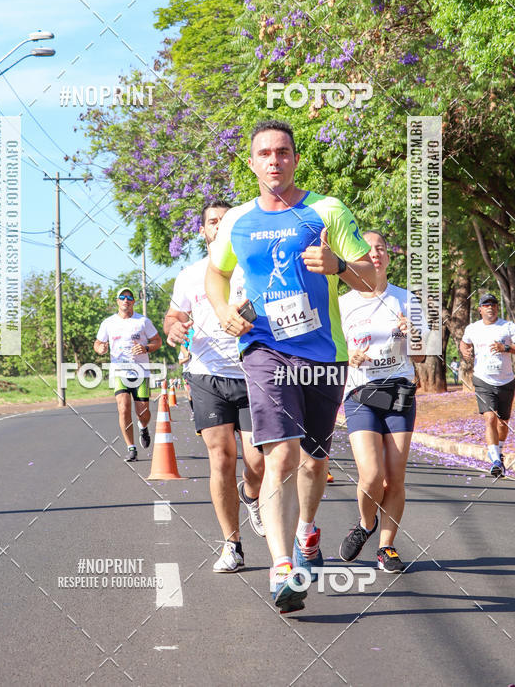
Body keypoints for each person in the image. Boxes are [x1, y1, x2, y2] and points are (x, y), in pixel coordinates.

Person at [205, 120, 375, 612]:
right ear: (253, 162)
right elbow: (216, 272)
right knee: (281, 452)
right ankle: (282, 568)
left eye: (283, 152)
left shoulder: (326, 210)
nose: (274, 160)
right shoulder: (238, 220)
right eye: (265, 153)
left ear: (295, 159)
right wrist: (221, 313)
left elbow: (373, 279)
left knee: (315, 458)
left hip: (323, 352)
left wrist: (341, 267)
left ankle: (306, 528)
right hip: (264, 348)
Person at [164, 201, 266, 574]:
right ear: (203, 231)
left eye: (226, 221)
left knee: (257, 463)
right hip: (206, 374)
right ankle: (232, 544)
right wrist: (174, 328)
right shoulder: (190, 275)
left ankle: (251, 494)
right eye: (212, 222)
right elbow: (174, 316)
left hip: (253, 371)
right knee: (221, 456)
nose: (219, 226)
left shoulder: (252, 269)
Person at [338, 230, 427, 573]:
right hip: (361, 393)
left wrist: (412, 334)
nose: (375, 253)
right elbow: (331, 351)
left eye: (381, 249)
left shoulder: (406, 299)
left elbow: (419, 357)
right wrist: (349, 359)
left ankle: (386, 547)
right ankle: (365, 523)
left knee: (395, 477)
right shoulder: (343, 303)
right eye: (367, 249)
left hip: (400, 391)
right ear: (357, 257)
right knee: (371, 475)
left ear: (388, 258)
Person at [94, 288, 162, 462]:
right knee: (123, 408)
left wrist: (146, 348)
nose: (126, 300)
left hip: (141, 372)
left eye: (129, 297)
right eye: (122, 297)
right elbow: (98, 343)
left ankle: (143, 426)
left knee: (143, 413)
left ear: (133, 301)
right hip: (119, 372)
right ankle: (131, 448)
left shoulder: (143, 321)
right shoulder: (108, 323)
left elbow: (157, 341)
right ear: (117, 301)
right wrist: (100, 348)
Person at [460, 293, 515, 478]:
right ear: (480, 309)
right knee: (490, 418)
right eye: (486, 304)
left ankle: (497, 450)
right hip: (483, 379)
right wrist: (465, 351)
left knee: (503, 422)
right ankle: (496, 461)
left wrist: (505, 348)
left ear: (497, 308)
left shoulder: (508, 327)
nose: (490, 307)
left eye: (493, 304)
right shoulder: (473, 328)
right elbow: (464, 342)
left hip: (506, 380)